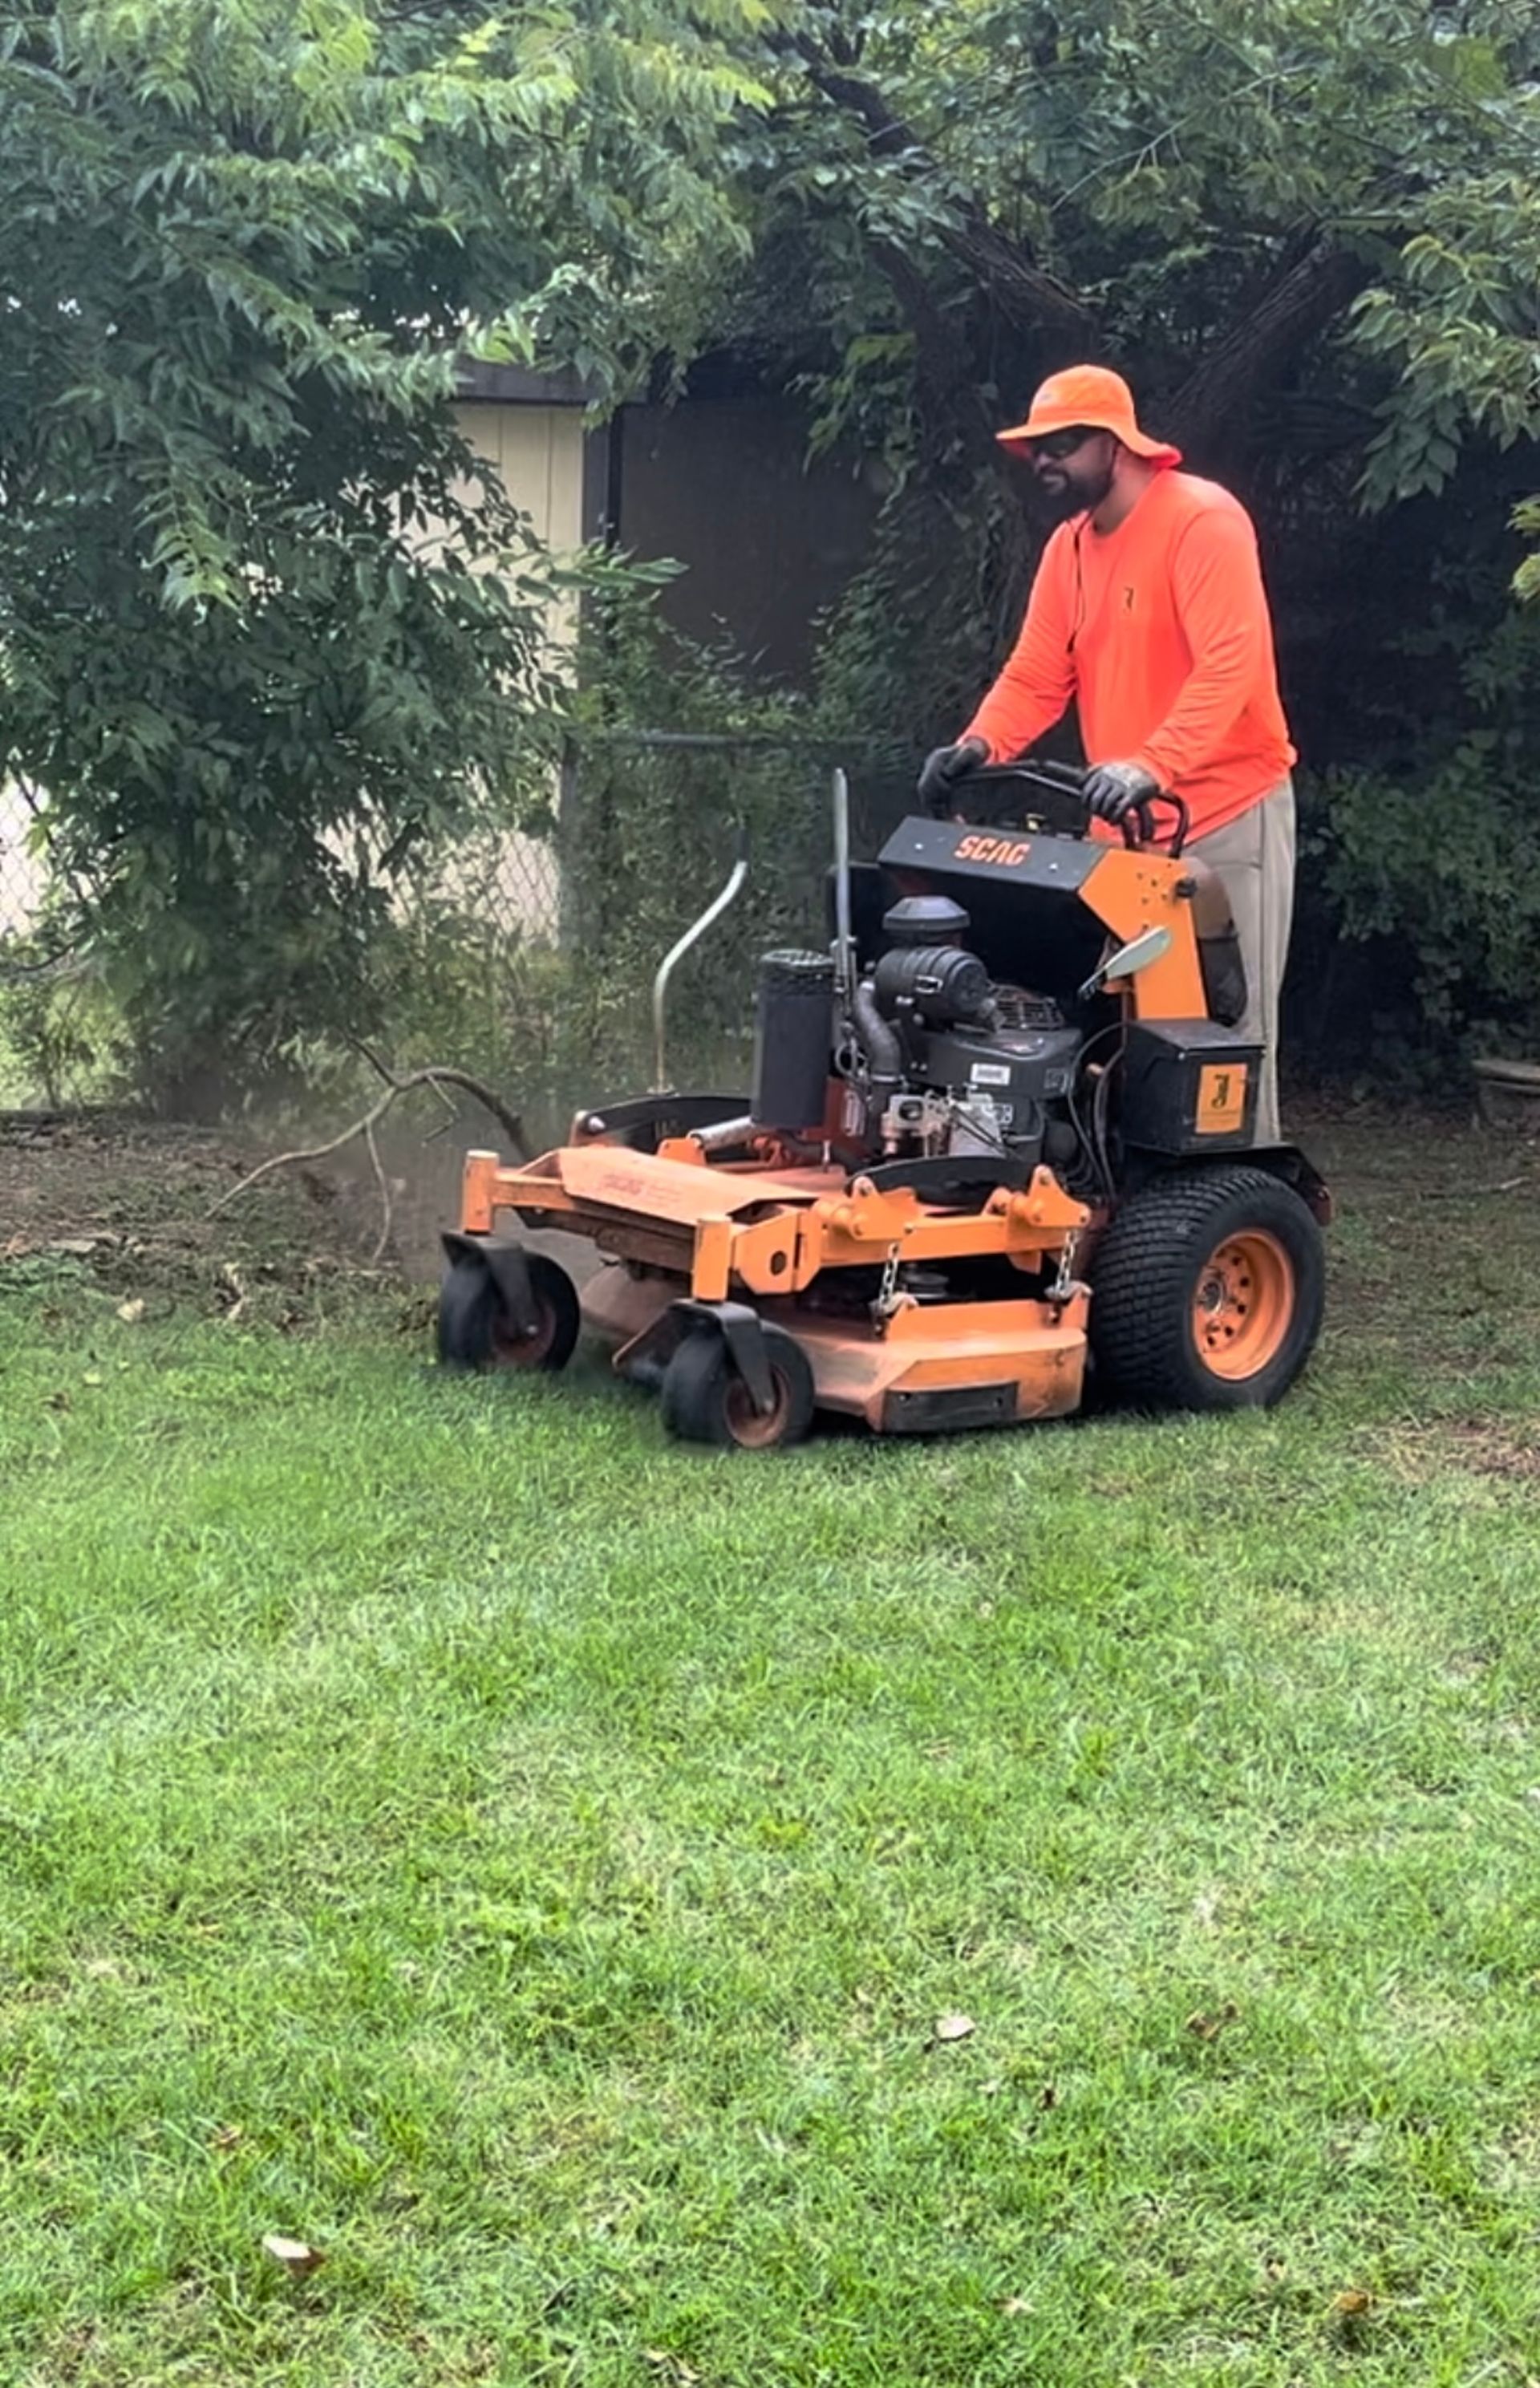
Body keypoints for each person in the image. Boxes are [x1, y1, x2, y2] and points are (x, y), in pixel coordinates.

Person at [918, 364, 1296, 1145]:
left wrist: (1152, 764)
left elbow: (1232, 663)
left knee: (1228, 1034)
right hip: (1121, 838)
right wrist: (977, 745)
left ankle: (1239, 1218)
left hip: (1222, 820)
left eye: (1061, 443)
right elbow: (1034, 674)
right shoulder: (1070, 549)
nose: (1044, 460)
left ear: (1117, 444)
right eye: (1035, 449)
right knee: (1121, 1033)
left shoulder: (1200, 520)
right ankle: (1132, 1231)